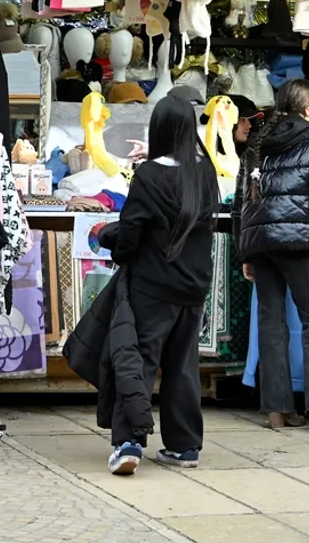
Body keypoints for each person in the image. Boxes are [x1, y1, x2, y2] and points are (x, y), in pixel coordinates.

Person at [232, 78, 309, 435]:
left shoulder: (257, 141)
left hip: (261, 241)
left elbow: (240, 198)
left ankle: (277, 409)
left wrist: (244, 246)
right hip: (298, 240)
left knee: (270, 323)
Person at [100, 95, 219, 474]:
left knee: (139, 361)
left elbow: (131, 231)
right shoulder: (205, 171)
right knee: (183, 366)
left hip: (153, 285)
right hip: (194, 286)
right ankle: (184, 447)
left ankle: (129, 442)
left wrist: (114, 244)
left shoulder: (149, 175)